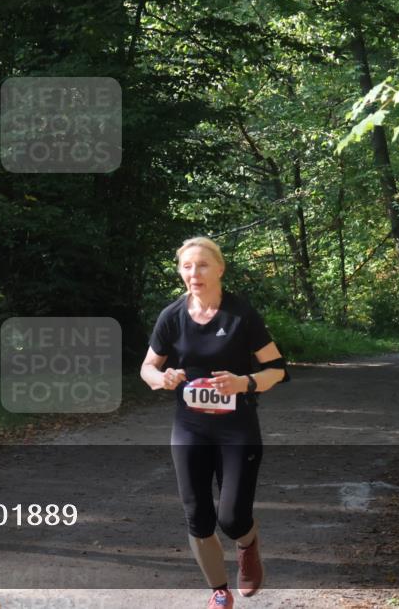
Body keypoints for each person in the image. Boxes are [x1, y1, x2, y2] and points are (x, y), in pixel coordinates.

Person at [140, 237, 288, 609]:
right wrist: (163, 379)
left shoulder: (241, 315)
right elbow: (147, 367)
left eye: (202, 265)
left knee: (233, 517)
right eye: (187, 266)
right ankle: (219, 590)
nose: (194, 273)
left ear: (220, 269)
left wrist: (245, 383)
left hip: (236, 426)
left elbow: (278, 369)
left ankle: (247, 542)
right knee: (198, 516)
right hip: (190, 426)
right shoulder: (172, 316)